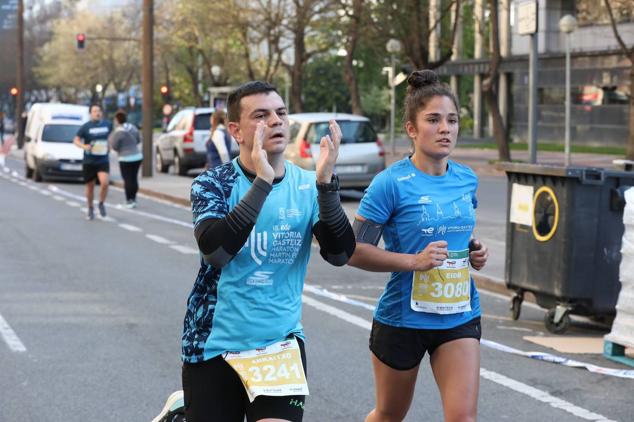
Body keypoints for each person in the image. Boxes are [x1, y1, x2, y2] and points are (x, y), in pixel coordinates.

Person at [153, 81, 356, 422]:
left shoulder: (307, 186)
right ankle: (182, 411)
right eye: (261, 115)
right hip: (215, 342)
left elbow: (339, 255)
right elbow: (216, 252)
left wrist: (325, 185)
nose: (276, 121)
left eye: (281, 112)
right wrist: (261, 183)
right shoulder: (213, 184)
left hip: (280, 343)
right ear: (236, 130)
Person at [348, 69, 489, 422]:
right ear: (412, 129)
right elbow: (354, 251)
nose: (446, 129)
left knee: (463, 418)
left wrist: (473, 249)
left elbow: (455, 232)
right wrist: (414, 261)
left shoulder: (466, 179)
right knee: (389, 414)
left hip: (458, 313)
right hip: (402, 319)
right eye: (434, 120)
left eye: (452, 120)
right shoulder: (390, 184)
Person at [73, 103, 112, 220]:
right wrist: (84, 146)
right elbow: (75, 140)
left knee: (104, 183)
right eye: (94, 111)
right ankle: (90, 208)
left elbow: (111, 136)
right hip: (89, 161)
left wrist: (110, 145)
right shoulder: (86, 127)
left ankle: (101, 203)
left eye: (99, 111)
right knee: (90, 186)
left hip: (102, 159)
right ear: (90, 114)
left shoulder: (107, 124)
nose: (97, 113)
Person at [109, 109, 142, 208]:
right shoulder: (133, 127)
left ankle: (129, 200)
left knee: (127, 179)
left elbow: (114, 146)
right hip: (137, 156)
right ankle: (134, 199)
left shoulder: (118, 131)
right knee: (134, 178)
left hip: (125, 158)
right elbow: (138, 140)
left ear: (117, 120)